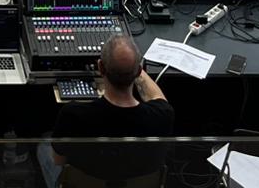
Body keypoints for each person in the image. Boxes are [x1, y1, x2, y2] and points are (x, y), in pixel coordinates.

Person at [41, 36, 173, 188]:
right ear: (138, 71)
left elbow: (59, 160)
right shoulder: (162, 116)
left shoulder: (73, 115)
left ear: (101, 67)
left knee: (43, 146)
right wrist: (133, 67)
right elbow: (158, 98)